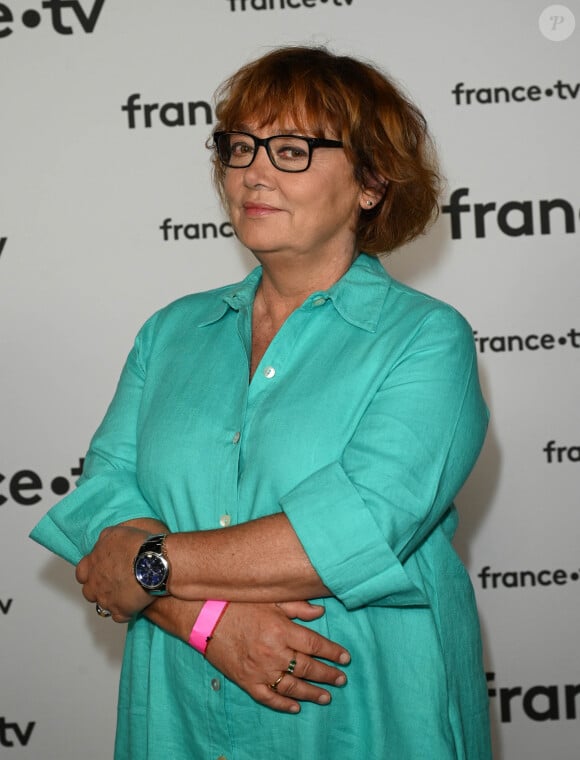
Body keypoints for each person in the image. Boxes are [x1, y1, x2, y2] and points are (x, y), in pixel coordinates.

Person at [31, 45, 492, 759]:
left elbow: (351, 531)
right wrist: (206, 623)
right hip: (180, 710)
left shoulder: (427, 340)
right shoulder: (172, 331)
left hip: (355, 710)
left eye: (291, 148)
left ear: (372, 182)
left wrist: (148, 570)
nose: (253, 170)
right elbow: (102, 505)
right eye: (238, 146)